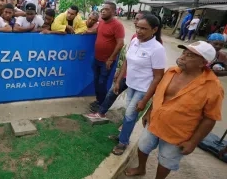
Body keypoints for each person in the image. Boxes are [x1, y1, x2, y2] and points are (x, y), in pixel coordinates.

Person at [125, 41, 223, 179]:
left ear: (202, 63)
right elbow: (159, 94)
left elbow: (210, 118)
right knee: (143, 146)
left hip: (178, 133)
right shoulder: (171, 71)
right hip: (154, 122)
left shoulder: (213, 87)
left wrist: (193, 142)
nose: (183, 57)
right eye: (184, 52)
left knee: (166, 159)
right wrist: (148, 112)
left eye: (190, 55)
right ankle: (141, 168)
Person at [108, 15, 166, 156]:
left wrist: (145, 100)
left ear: (154, 30)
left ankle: (123, 142)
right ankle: (124, 136)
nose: (139, 31)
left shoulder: (157, 49)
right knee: (129, 114)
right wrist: (118, 81)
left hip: (143, 88)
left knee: (129, 114)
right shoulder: (135, 40)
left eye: (144, 28)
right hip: (131, 84)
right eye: (138, 27)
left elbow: (158, 77)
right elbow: (127, 62)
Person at [88, 11, 151, 116]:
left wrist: (111, 59)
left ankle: (125, 121)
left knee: (104, 85)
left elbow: (120, 43)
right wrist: (120, 74)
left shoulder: (156, 44)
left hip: (138, 79)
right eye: (135, 19)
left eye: (138, 19)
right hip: (124, 73)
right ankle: (100, 109)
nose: (135, 22)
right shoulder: (135, 38)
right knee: (110, 91)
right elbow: (128, 58)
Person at [91, 2, 125, 113]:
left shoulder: (117, 25)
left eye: (106, 9)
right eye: (102, 9)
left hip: (107, 61)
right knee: (96, 81)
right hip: (96, 59)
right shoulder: (101, 22)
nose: (103, 11)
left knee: (102, 83)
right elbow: (96, 31)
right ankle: (98, 101)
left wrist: (111, 59)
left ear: (114, 11)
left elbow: (120, 43)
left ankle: (101, 104)